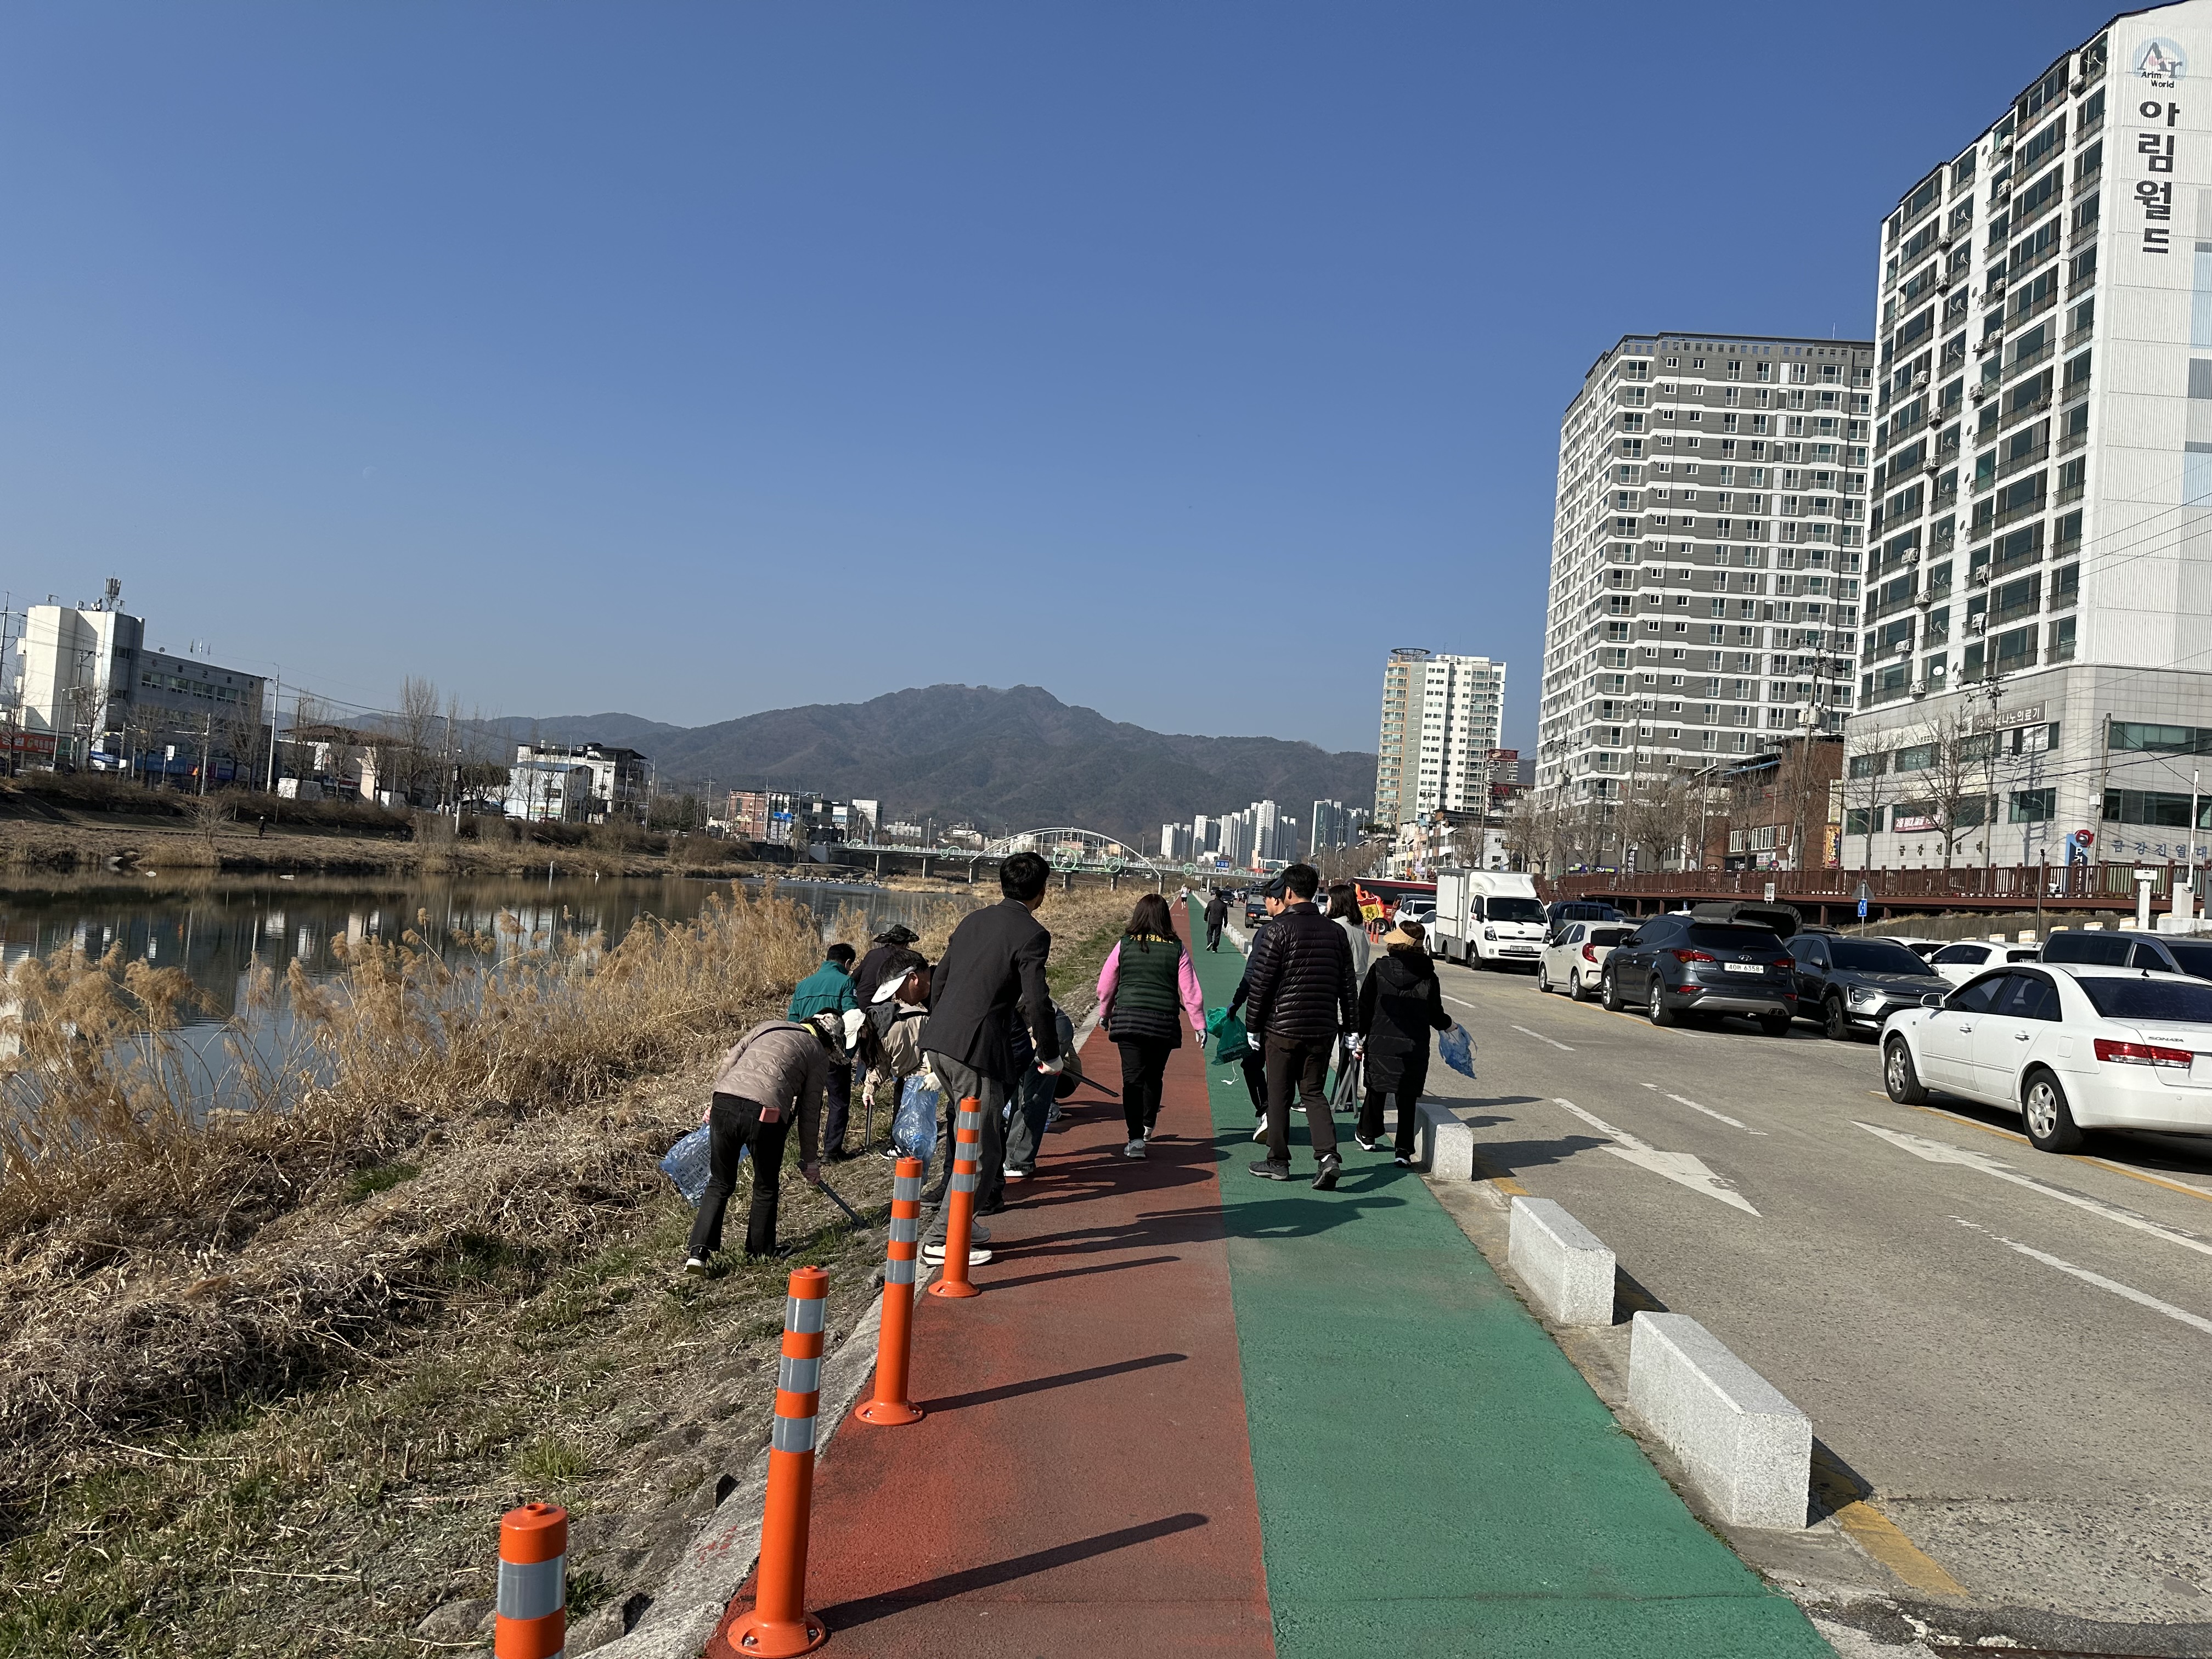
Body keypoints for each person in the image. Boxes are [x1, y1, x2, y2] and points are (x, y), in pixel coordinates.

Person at [918, 850, 1061, 1263]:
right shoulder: (1032, 934)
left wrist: (941, 1031)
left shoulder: (973, 920)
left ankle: (962, 1222)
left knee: (973, 1139)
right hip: (975, 1052)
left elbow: (939, 979)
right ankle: (944, 1239)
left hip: (941, 1040)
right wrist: (1050, 1053)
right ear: (1042, 891)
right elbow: (1037, 1000)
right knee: (984, 1150)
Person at [684, 1012, 836, 1269]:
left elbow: (729, 1060)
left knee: (720, 1181)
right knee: (765, 1185)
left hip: (725, 1102)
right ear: (827, 1041)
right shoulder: (817, 1053)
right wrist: (810, 1160)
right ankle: (759, 1250)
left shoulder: (768, 1026)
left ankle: (698, 1252)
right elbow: (810, 1113)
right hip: (765, 1114)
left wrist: (715, 1099)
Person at [1243, 863, 1356, 1189]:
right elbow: (1347, 986)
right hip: (1322, 1029)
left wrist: (1253, 1026)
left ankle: (1278, 1161)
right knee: (1313, 1092)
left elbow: (1262, 984)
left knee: (1278, 1095)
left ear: (1288, 893)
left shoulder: (1278, 929)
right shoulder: (1336, 932)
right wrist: (1351, 1028)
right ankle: (1328, 1156)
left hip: (1283, 1029)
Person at [1097, 893, 1206, 1158]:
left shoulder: (1125, 944)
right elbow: (1190, 990)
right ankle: (1148, 1124)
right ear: (1165, 917)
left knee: (1131, 1079)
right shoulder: (1176, 947)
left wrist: (1105, 1012)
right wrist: (1199, 1024)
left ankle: (1135, 1140)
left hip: (1128, 1020)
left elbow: (1107, 983)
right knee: (1154, 1075)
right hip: (1163, 1022)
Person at [1355, 921, 1452, 1164]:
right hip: (1414, 1045)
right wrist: (1450, 1026)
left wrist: (1358, 1035)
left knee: (1377, 1088)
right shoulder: (1429, 976)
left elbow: (1364, 1007)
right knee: (1407, 1097)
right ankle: (1403, 1151)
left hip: (1380, 1041)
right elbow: (1435, 1014)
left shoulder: (1379, 969)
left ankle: (1367, 1135)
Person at [788, 942, 860, 1159]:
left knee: (809, 1103)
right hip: (832, 1052)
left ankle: (806, 1154)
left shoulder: (803, 985)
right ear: (847, 963)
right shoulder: (846, 981)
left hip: (805, 1051)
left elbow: (792, 1021)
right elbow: (851, 1016)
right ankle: (832, 1150)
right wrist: (849, 1052)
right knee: (838, 1101)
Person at [860, 949, 933, 1158]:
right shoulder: (881, 1031)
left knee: (917, 1116)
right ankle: (905, 1147)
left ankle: (910, 1151)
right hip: (915, 1073)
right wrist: (869, 1088)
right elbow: (883, 1063)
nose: (897, 998)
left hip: (922, 1073)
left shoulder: (891, 1033)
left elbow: (899, 1063)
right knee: (907, 1110)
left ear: (913, 978)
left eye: (898, 991)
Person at [1005, 999, 1077, 1178]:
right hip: (1029, 1030)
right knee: (1019, 1097)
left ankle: (1018, 1161)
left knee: (1032, 1097)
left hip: (1043, 1029)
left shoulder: (1003, 975)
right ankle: (1011, 1156)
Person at [1324, 882, 1374, 1114]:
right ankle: (1347, 1097)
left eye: (1329, 899)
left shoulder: (1335, 927)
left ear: (1338, 903)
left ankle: (1313, 1096)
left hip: (1336, 996)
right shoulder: (1361, 929)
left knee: (1324, 1050)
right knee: (1350, 1049)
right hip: (1357, 996)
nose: (1327, 904)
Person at [854, 924, 921, 1006]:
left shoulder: (872, 954)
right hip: (879, 1007)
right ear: (905, 944)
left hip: (858, 1001)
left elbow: (855, 977)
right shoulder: (903, 958)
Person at [1203, 889, 1229, 953]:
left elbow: (1206, 912)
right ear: (1221, 896)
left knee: (1209, 933)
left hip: (1212, 921)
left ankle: (1210, 942)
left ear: (1215, 895)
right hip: (1219, 922)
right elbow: (1225, 915)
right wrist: (1226, 922)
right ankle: (1215, 948)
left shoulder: (1211, 903)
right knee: (1217, 935)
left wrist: (1205, 919)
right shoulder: (1223, 905)